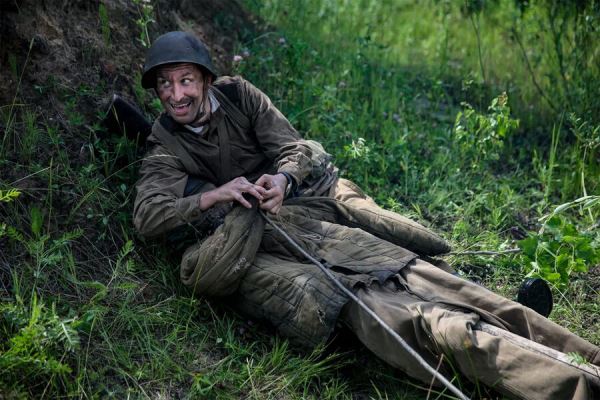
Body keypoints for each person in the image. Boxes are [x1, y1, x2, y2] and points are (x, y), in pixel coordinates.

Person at [132, 31, 600, 399]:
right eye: (165, 85)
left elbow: (298, 149)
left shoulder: (239, 96)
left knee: (445, 282)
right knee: (436, 324)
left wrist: (282, 181)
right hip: (295, 261)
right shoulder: (163, 149)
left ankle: (585, 357)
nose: (176, 95)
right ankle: (577, 385)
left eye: (185, 80)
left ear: (206, 80)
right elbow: (149, 217)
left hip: (314, 216)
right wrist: (215, 197)